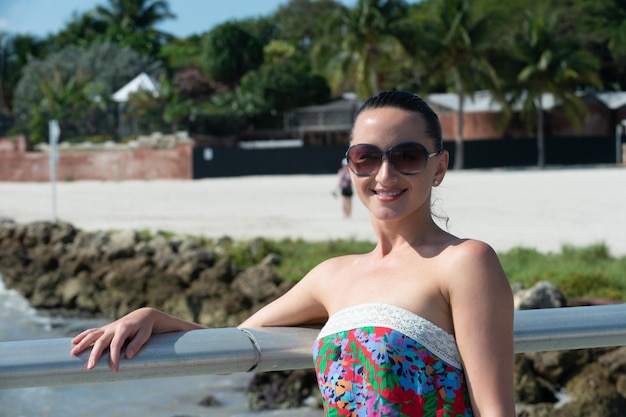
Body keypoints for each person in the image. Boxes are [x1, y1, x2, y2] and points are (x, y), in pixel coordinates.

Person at [71, 90, 515, 416]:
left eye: (408, 156)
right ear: (350, 165)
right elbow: (234, 348)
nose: (385, 173)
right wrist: (151, 317)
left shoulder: (465, 262)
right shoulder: (332, 276)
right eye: (366, 157)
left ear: (439, 167)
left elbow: (495, 410)